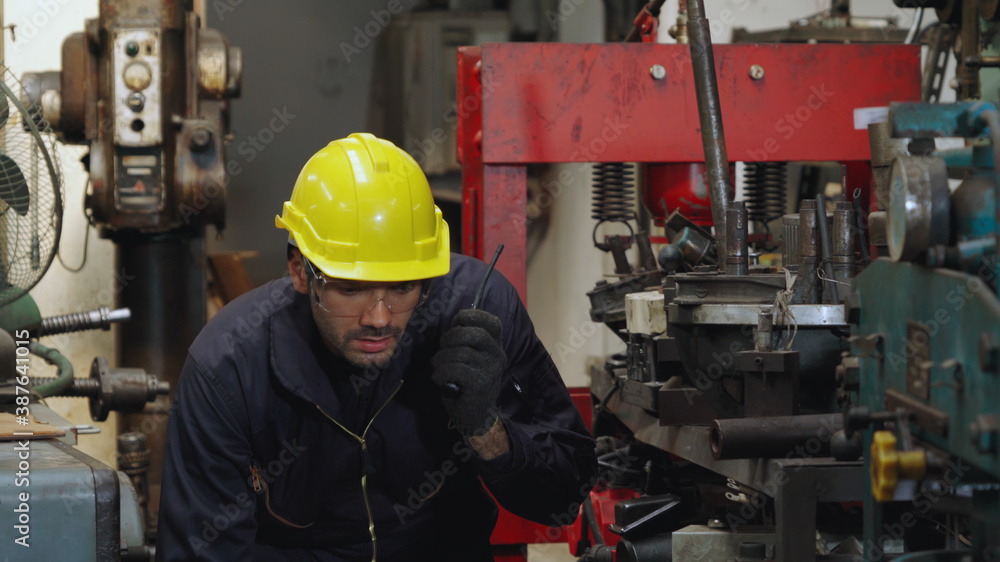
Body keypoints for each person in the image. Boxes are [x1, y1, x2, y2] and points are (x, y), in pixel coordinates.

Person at [157, 133, 597, 561]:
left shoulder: (478, 315)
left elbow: (562, 500)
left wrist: (485, 429)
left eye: (404, 286)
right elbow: (202, 549)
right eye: (351, 289)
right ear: (299, 271)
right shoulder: (229, 366)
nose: (380, 317)